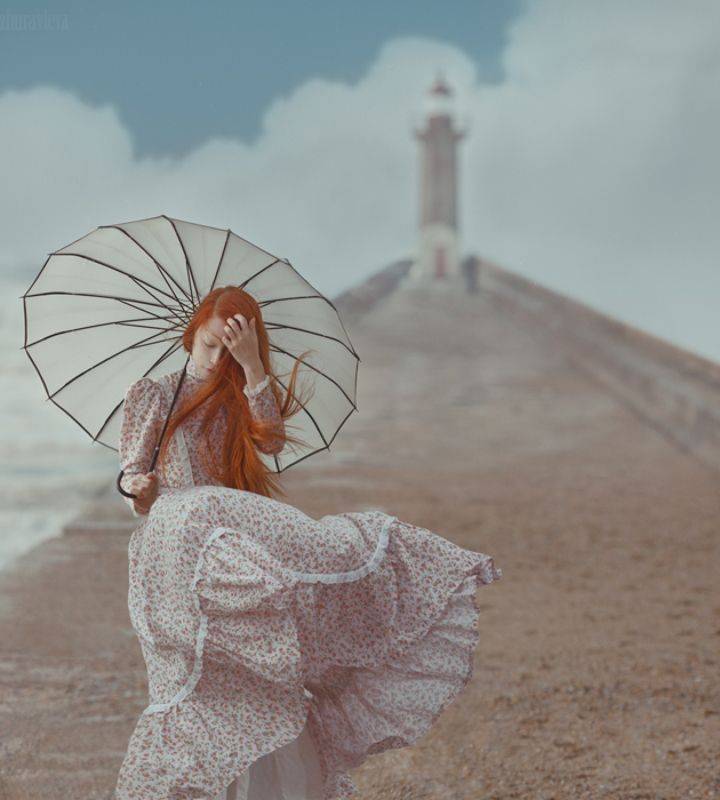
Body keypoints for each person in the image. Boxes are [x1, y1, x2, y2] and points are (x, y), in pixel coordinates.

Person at [114, 285, 502, 800]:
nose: (214, 358)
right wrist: (135, 489)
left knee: (260, 670)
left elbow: (270, 440)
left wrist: (251, 366)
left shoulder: (239, 393)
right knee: (196, 682)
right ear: (192, 334)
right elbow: (131, 475)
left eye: (226, 348)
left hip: (232, 543)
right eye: (209, 344)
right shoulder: (154, 395)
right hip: (176, 554)